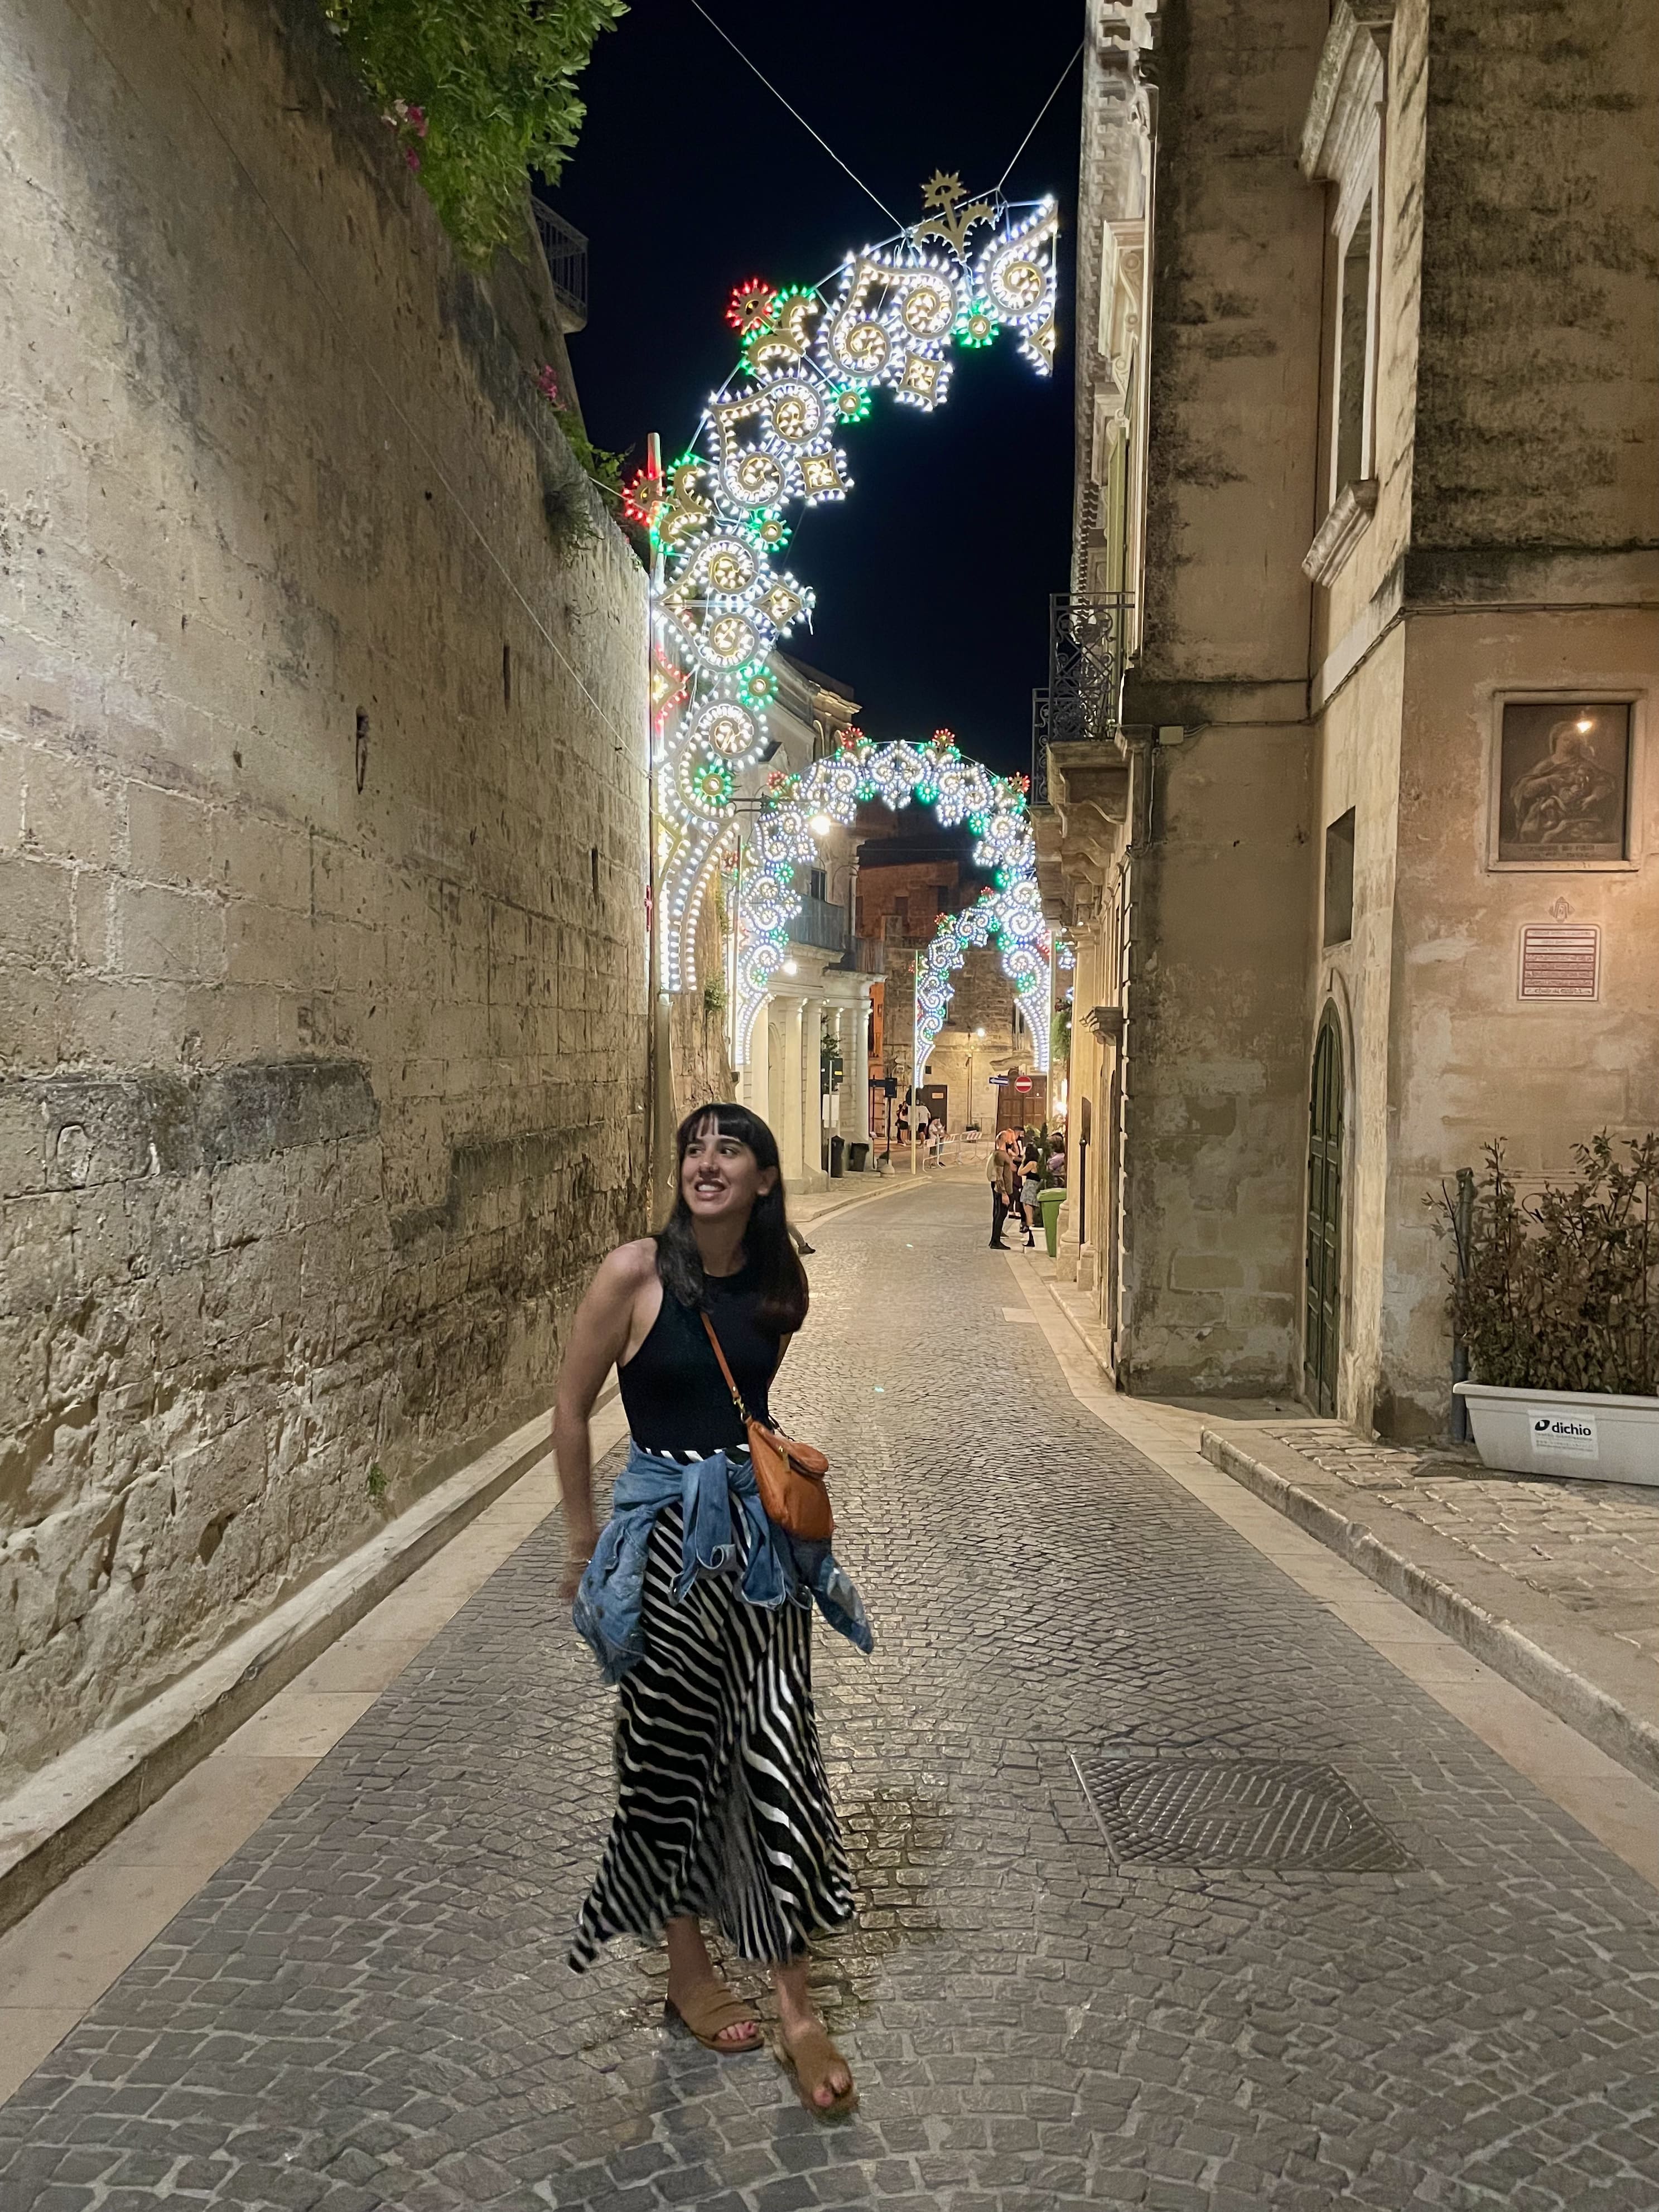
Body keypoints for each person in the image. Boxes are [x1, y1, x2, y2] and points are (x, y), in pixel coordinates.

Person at [553, 1103, 872, 2119]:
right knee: (672, 1758)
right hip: (663, 1546)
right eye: (695, 1148)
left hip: (757, 1551)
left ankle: (796, 2007)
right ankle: (687, 1969)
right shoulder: (633, 1274)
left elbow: (753, 1411)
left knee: (778, 1749)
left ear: (762, 1179)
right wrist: (582, 1542)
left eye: (728, 1149)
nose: (706, 1162)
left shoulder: (781, 1286)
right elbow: (569, 1409)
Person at [986, 1128, 1017, 1248]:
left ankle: (995, 1240)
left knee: (1001, 1215)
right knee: (1000, 1215)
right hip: (1002, 1191)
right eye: (1009, 1137)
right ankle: (995, 1241)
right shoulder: (999, 1155)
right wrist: (1004, 1193)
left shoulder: (1004, 1154)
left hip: (1007, 1190)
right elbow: (999, 1176)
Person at [1019, 1137, 1040, 1248]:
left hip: (1029, 1191)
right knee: (1034, 1215)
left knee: (1029, 1217)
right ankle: (1034, 1239)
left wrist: (1023, 1161)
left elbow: (1020, 1173)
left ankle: (1032, 1240)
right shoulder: (1039, 1163)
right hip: (1036, 1189)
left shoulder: (1031, 1163)